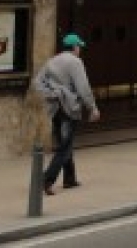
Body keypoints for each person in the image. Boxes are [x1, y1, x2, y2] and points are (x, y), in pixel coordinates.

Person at [34, 33, 100, 196]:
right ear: (75, 47)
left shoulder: (52, 61)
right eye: (79, 47)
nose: (80, 50)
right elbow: (83, 87)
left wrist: (51, 93)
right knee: (65, 146)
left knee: (64, 142)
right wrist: (92, 107)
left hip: (55, 108)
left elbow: (37, 82)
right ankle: (46, 179)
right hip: (69, 107)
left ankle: (70, 178)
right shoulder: (75, 62)